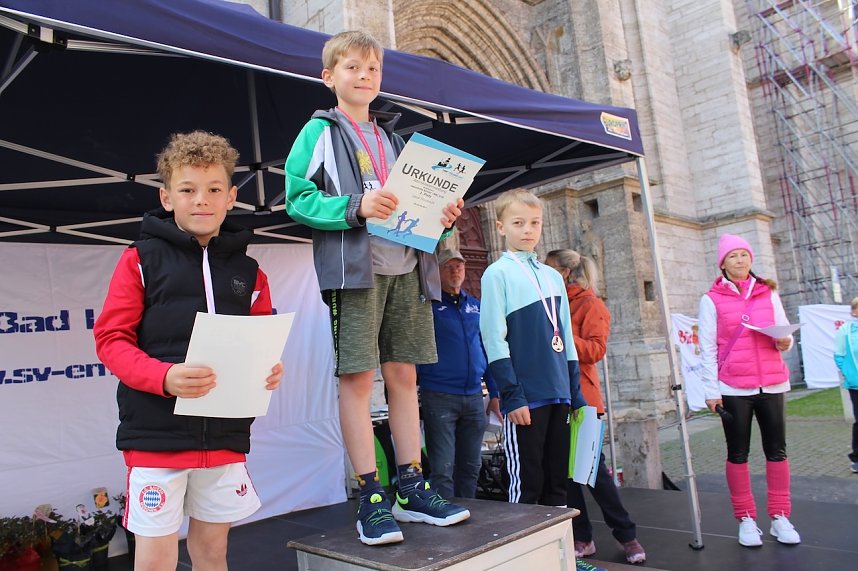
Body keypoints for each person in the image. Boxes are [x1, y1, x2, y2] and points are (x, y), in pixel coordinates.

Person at [284, 30, 469, 546]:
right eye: (353, 68)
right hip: (356, 272)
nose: (364, 77)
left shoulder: (396, 140)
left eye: (373, 70)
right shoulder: (318, 132)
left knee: (404, 377)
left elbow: (423, 213)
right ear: (329, 77)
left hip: (407, 269)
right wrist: (353, 208)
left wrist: (446, 219)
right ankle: (371, 496)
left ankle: (411, 486)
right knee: (358, 382)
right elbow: (296, 199)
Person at [93, 131, 284, 571]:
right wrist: (163, 377)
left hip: (225, 439)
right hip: (156, 437)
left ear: (232, 197)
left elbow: (262, 341)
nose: (202, 200)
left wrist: (269, 369)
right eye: (188, 189)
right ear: (166, 197)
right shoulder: (139, 259)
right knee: (156, 558)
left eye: (214, 189)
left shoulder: (249, 270)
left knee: (213, 553)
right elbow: (111, 340)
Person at [479, 189, 587, 508]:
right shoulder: (496, 274)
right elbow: (494, 340)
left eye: (534, 223)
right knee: (528, 483)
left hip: (559, 394)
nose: (528, 230)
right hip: (527, 397)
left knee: (558, 484)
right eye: (518, 223)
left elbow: (564, 336)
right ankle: (523, 555)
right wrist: (512, 395)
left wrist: (575, 392)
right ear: (501, 227)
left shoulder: (554, 277)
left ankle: (559, 556)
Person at [545, 249, 646, 565]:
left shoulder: (590, 304)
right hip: (555, 397)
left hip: (584, 400)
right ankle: (583, 537)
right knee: (565, 475)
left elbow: (596, 349)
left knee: (594, 473)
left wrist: (560, 335)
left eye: (549, 269)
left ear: (564, 272)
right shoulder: (550, 303)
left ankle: (627, 536)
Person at [698, 233, 800, 547]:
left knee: (777, 451)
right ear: (723, 264)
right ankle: (745, 519)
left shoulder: (768, 293)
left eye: (744, 254)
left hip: (772, 382)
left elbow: (783, 331)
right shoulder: (711, 299)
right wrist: (711, 391)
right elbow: (707, 349)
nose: (741, 260)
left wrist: (786, 341)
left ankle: (780, 516)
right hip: (733, 387)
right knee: (738, 454)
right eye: (734, 256)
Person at [417, 249, 502, 500]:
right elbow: (415, 348)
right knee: (442, 467)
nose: (455, 271)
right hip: (439, 395)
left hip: (474, 397)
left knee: (471, 465)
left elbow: (486, 349)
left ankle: (468, 511)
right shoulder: (428, 306)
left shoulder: (475, 306)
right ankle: (443, 512)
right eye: (448, 267)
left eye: (459, 267)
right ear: (437, 272)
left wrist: (495, 392)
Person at [833, 296, 858, 474]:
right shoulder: (846, 330)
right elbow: (839, 356)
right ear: (854, 312)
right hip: (856, 384)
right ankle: (857, 458)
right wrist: (850, 374)